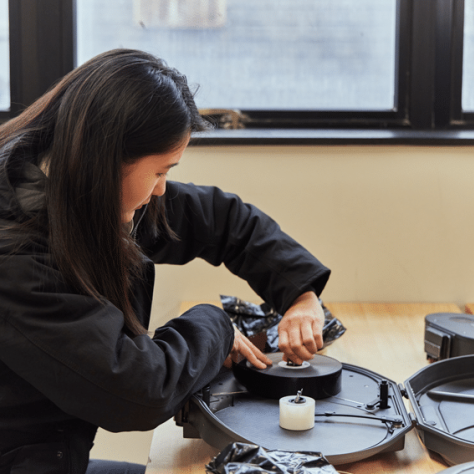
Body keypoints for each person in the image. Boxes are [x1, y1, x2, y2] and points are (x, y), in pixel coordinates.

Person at [0, 49, 330, 474]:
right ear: (108, 159)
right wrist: (215, 326)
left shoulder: (79, 184)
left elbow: (222, 219)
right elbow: (137, 390)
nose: (161, 190)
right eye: (159, 172)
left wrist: (301, 294)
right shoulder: (17, 258)